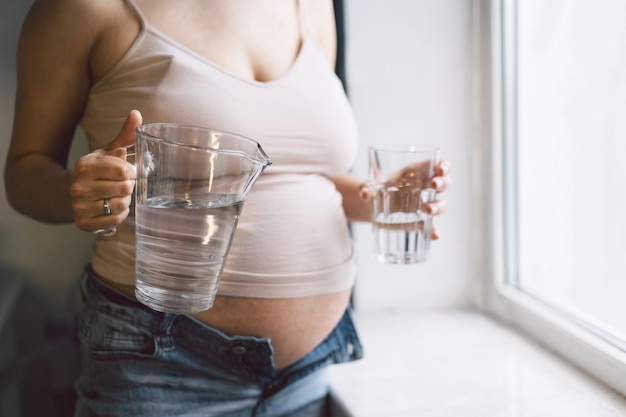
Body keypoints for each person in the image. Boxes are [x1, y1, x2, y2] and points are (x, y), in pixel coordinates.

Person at [4, 0, 451, 416]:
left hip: (308, 371)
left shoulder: (310, 6)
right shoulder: (84, 9)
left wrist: (383, 196)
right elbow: (25, 172)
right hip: (162, 367)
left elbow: (300, 176)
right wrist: (79, 193)